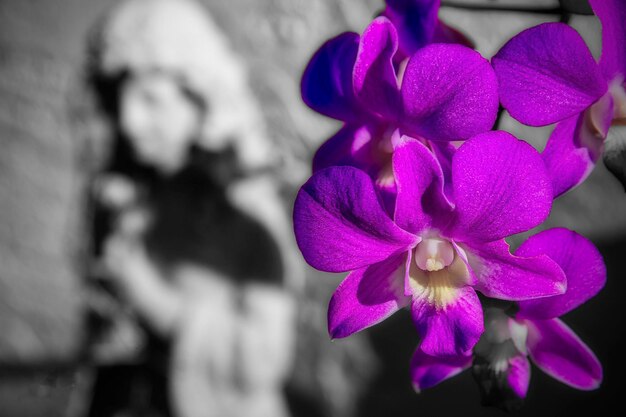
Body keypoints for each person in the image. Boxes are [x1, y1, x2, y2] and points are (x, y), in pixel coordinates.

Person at [80, 1, 300, 416]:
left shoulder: (249, 216)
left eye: (152, 100)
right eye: (119, 99)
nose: (128, 121)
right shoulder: (128, 195)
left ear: (202, 104)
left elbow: (265, 361)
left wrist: (152, 297)